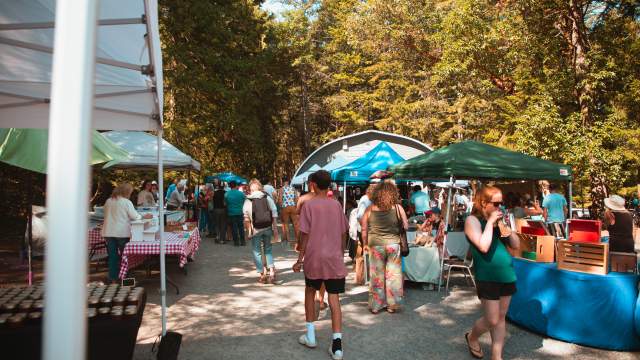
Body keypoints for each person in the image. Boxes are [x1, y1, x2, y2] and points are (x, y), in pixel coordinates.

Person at [293, 170, 349, 360]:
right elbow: (343, 232)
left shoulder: (309, 206)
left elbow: (305, 235)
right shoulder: (336, 205)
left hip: (314, 258)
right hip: (333, 258)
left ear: (313, 184)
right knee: (334, 300)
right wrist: (341, 253)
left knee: (310, 292)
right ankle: (337, 346)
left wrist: (300, 259)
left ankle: (310, 335)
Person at [464, 186, 520, 360]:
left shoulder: (498, 221)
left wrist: (506, 227)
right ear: (483, 202)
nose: (499, 207)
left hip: (506, 273)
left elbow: (516, 244)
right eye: (496, 203)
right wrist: (489, 222)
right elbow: (483, 245)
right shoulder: (472, 220)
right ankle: (472, 337)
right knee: (492, 319)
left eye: (501, 203)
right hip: (487, 275)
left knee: (501, 317)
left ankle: (497, 356)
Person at [361, 181, 408, 314]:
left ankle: (376, 305)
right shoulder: (398, 208)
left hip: (375, 245)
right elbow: (405, 226)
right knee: (393, 275)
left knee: (377, 276)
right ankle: (392, 305)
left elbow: (364, 229)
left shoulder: (370, 209)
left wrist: (364, 243)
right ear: (393, 194)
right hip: (393, 244)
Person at [102, 183, 149, 283]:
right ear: (126, 192)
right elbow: (135, 216)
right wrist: (143, 216)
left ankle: (113, 279)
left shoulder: (108, 201)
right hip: (121, 232)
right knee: (125, 257)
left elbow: (105, 214)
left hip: (108, 232)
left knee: (112, 257)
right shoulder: (126, 202)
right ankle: (125, 279)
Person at [243, 179, 280, 283]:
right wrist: (275, 229)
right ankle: (272, 272)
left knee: (257, 252)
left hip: (256, 229)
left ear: (250, 189)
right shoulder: (267, 197)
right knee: (268, 249)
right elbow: (274, 213)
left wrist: (249, 232)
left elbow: (246, 218)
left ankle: (262, 274)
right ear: (260, 187)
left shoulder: (248, 200)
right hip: (267, 227)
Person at [278, 176, 299, 247]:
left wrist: (281, 207)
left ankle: (288, 239)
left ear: (283, 181)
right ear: (288, 181)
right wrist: (295, 206)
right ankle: (298, 238)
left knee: (286, 223)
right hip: (293, 207)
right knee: (295, 223)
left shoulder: (281, 189)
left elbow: (280, 200)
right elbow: (296, 198)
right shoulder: (293, 188)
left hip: (285, 207)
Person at [225, 180, 246, 246]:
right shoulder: (241, 193)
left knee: (234, 227)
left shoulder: (227, 194)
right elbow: (244, 200)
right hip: (239, 212)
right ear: (236, 185)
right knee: (241, 227)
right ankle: (243, 241)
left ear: (230, 186)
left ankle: (236, 242)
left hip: (231, 213)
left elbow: (225, 203)